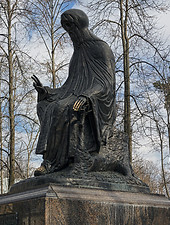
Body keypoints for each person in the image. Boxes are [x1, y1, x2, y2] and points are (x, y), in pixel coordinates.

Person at [32, 9, 116, 176]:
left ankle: (55, 163)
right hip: (75, 95)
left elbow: (107, 82)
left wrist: (88, 95)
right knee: (47, 106)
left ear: (80, 26)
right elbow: (69, 85)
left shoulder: (101, 48)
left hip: (95, 98)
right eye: (67, 29)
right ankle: (50, 159)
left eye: (71, 28)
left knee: (61, 108)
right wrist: (47, 92)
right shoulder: (76, 55)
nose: (69, 33)